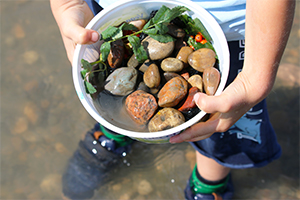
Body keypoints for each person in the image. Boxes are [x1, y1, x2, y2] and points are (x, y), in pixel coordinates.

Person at [50, 0, 295, 199]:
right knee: (104, 84)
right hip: (112, 12)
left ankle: (209, 183)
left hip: (230, 32)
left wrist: (257, 76)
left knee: (222, 124)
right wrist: (68, 5)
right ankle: (116, 130)